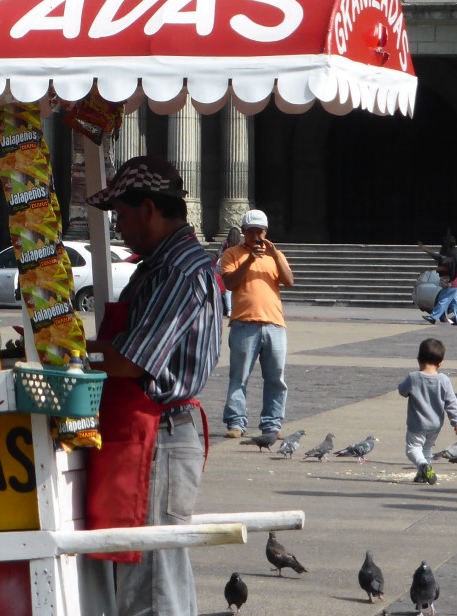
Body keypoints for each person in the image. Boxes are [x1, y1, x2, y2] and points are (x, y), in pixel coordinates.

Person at [84, 155, 223, 616]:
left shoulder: (177, 270)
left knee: (153, 586)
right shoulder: (157, 266)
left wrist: (70, 354)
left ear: (147, 208)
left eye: (121, 215)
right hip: (146, 434)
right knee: (146, 576)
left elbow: (132, 359)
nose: (119, 226)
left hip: (159, 435)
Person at [220, 208, 294, 440]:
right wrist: (249, 260)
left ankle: (271, 424)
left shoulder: (276, 255)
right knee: (239, 377)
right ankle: (236, 422)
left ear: (266, 232)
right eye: (251, 232)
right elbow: (230, 283)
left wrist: (274, 255)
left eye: (259, 232)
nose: (256, 237)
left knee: (276, 378)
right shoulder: (232, 254)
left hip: (274, 324)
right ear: (243, 232)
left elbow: (289, 281)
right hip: (244, 323)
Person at [398, 337, 457, 485]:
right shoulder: (444, 380)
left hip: (417, 424)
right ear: (441, 363)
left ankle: (423, 466)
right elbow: (451, 402)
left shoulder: (413, 377)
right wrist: (456, 422)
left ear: (418, 359)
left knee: (413, 449)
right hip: (435, 425)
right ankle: (423, 474)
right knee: (427, 448)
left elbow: (402, 391)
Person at [426, 232, 457, 325]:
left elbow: (446, 265)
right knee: (456, 301)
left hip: (452, 280)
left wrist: (437, 268)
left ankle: (433, 317)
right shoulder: (451, 252)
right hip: (454, 280)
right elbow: (441, 259)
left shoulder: (451, 254)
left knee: (443, 299)